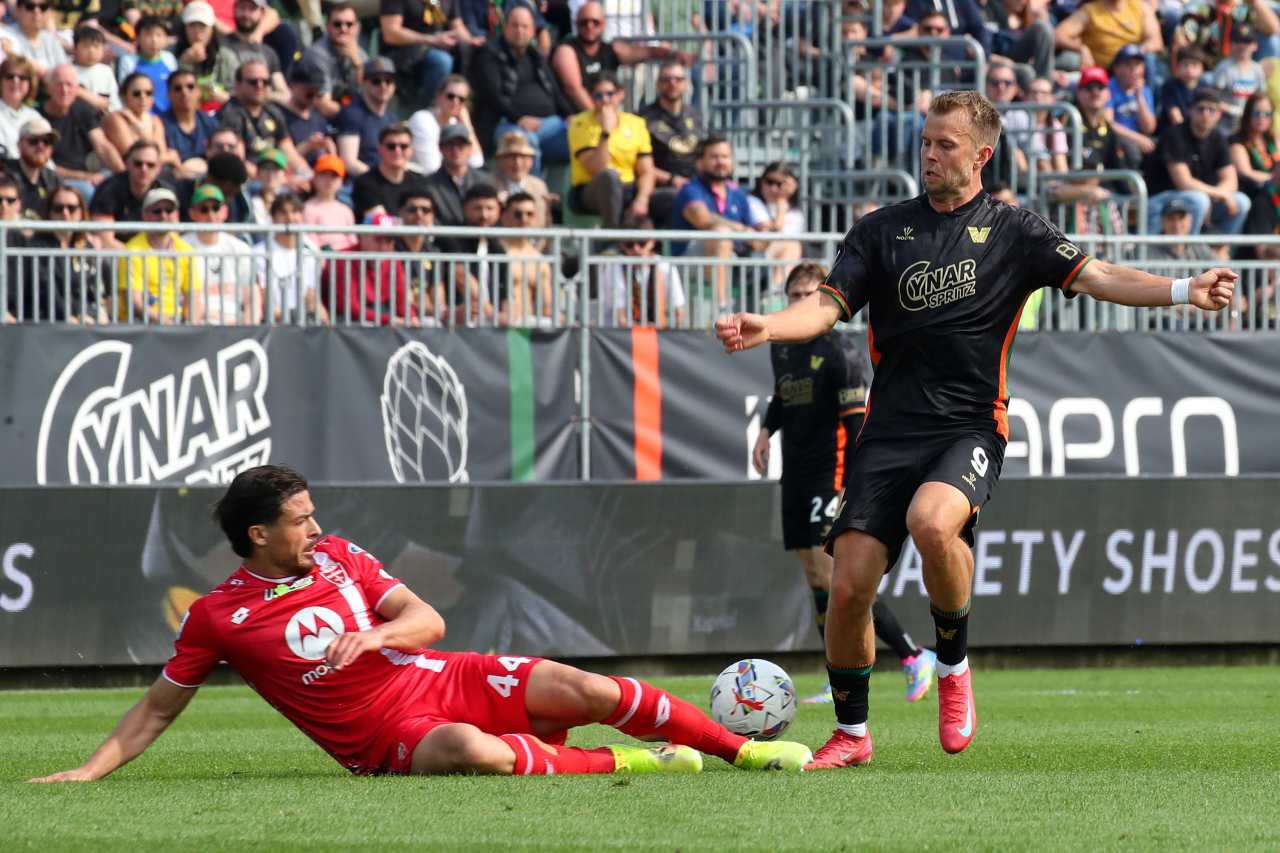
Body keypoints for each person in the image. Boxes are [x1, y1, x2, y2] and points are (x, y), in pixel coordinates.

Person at [714, 89, 1236, 770]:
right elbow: (823, 308)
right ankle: (852, 734)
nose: (930, 155)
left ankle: (953, 664)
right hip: (888, 434)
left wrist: (1184, 288)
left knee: (933, 523)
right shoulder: (880, 231)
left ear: (981, 154)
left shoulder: (1016, 231)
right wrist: (768, 326)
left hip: (969, 427)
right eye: (925, 142)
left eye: (945, 144)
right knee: (847, 587)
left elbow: (1100, 274)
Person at [29, 465, 812, 782]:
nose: (316, 526)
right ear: (258, 534)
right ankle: (636, 762)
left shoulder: (338, 557)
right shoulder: (217, 616)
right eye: (300, 519)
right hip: (382, 737)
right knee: (471, 751)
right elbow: (156, 708)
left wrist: (375, 634)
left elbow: (427, 619)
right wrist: (89, 771)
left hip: (441, 675)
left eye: (314, 513)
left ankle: (744, 749)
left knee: (584, 685)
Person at [751, 263, 937, 706]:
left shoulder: (840, 353)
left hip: (829, 477)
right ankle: (835, 675)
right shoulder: (781, 348)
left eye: (807, 294)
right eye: (793, 294)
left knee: (836, 579)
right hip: (795, 475)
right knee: (816, 581)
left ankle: (912, 654)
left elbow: (856, 428)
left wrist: (852, 488)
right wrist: (765, 431)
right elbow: (782, 394)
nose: (799, 301)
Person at [469, 5, 571, 174]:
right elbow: (493, 96)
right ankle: (531, 189)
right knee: (526, 145)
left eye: (525, 26)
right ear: (505, 28)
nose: (519, 31)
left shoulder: (535, 56)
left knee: (578, 137)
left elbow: (555, 91)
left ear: (533, 31)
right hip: (507, 123)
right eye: (514, 25)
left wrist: (570, 116)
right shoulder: (488, 53)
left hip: (548, 123)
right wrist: (519, 119)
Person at [1144, 86, 1252, 234]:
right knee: (1199, 200)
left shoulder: (1218, 138)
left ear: (1219, 114)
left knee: (1241, 201)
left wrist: (1222, 194)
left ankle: (1221, 246)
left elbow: (1231, 180)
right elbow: (1184, 183)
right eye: (1201, 109)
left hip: (1202, 197)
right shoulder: (1174, 135)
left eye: (1212, 110)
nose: (1206, 114)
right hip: (1160, 200)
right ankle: (1189, 247)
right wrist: (1220, 194)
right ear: (1190, 111)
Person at [550, 1, 688, 112]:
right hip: (573, 119)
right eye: (584, 22)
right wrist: (599, 119)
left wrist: (672, 54)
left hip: (602, 117)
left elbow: (646, 52)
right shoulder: (566, 50)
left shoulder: (609, 49)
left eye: (595, 22)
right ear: (576, 24)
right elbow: (574, 89)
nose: (589, 26)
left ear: (603, 24)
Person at [669, 135, 754, 309]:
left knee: (788, 245)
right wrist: (740, 229)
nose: (721, 162)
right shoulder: (691, 189)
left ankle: (776, 301)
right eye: (714, 157)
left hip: (734, 256)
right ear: (700, 163)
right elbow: (703, 219)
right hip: (690, 260)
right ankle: (721, 308)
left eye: (725, 157)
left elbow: (754, 235)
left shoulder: (738, 194)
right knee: (721, 235)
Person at [10, 185, 110, 323]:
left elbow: (94, 290)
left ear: (81, 213)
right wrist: (68, 316)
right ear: (49, 212)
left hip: (83, 317)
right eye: (58, 208)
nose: (65, 213)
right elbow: (45, 288)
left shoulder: (86, 247)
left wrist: (99, 312)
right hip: (47, 320)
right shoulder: (36, 246)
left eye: (72, 208)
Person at [566, 72, 654, 227]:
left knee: (671, 197)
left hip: (628, 188)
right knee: (609, 177)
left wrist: (642, 199)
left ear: (621, 94)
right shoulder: (580, 123)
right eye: (598, 96)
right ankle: (612, 235)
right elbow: (597, 169)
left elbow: (646, 171)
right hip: (589, 190)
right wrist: (606, 133)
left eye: (610, 94)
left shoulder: (636, 123)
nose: (605, 100)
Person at [118, 187, 204, 324]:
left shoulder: (185, 250)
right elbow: (135, 302)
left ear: (176, 215)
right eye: (156, 211)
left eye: (169, 210)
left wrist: (190, 326)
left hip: (177, 323)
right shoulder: (132, 251)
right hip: (140, 324)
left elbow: (193, 298)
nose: (163, 216)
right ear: (144, 215)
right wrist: (165, 323)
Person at [183, 183, 262, 325]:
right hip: (197, 324)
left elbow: (252, 297)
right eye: (204, 209)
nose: (211, 215)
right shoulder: (182, 247)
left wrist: (249, 329)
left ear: (225, 212)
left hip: (235, 324)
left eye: (216, 208)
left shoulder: (240, 248)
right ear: (192, 213)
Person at [638, 59, 704, 226]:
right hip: (661, 188)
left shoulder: (694, 115)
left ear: (686, 84)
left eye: (678, 79)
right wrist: (672, 179)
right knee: (681, 198)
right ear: (657, 84)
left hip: (694, 183)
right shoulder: (643, 119)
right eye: (666, 79)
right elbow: (638, 164)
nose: (672, 83)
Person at [322, 211, 418, 326]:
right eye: (378, 239)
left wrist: (412, 318)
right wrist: (389, 320)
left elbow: (401, 302)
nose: (383, 247)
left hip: (377, 315)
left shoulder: (393, 260)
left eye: (389, 240)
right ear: (362, 237)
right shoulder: (343, 259)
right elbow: (349, 308)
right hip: (343, 322)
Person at [218, 59, 308, 173]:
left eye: (265, 82)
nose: (259, 86)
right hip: (247, 177)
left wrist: (306, 174)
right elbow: (237, 160)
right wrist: (269, 178)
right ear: (238, 85)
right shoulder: (229, 114)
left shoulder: (273, 112)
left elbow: (288, 151)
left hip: (274, 172)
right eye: (253, 82)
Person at [89, 139, 177, 247]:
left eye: (150, 165)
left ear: (159, 168)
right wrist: (135, 256)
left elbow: (173, 235)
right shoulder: (109, 189)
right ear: (127, 164)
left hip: (153, 252)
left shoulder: (166, 191)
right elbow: (105, 241)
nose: (144, 169)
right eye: (138, 164)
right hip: (117, 254)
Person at [602, 213, 686, 326]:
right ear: (621, 245)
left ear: (652, 242)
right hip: (621, 333)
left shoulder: (665, 266)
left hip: (656, 332)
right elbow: (620, 318)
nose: (636, 249)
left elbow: (679, 311)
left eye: (642, 243)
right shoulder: (614, 267)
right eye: (629, 244)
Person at [257, 193, 327, 324]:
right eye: (283, 213)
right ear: (273, 217)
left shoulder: (311, 253)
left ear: (302, 216)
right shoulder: (259, 253)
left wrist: (325, 323)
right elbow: (263, 299)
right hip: (271, 324)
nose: (289, 218)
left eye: (295, 212)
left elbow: (312, 297)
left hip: (303, 323)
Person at [378, 0, 458, 107]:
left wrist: (472, 41)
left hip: (439, 48)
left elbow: (457, 26)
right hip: (404, 55)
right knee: (441, 61)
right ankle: (423, 110)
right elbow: (391, 34)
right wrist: (432, 39)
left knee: (468, 54)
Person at [336, 58, 401, 178]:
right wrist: (381, 179)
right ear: (364, 83)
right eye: (376, 81)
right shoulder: (352, 114)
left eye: (388, 81)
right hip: (358, 182)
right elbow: (349, 162)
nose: (383, 86)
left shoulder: (392, 119)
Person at [352, 123, 431, 221]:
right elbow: (381, 222)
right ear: (380, 149)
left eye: (404, 146)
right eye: (391, 146)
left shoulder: (419, 181)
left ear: (411, 150)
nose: (397, 151)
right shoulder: (365, 182)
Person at [408, 74, 484, 176]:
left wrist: (467, 124)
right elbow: (432, 167)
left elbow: (476, 162)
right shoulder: (422, 119)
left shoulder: (456, 124)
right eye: (450, 96)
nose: (455, 102)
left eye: (461, 99)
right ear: (439, 96)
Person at [302, 2, 368, 119]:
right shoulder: (317, 54)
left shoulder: (360, 54)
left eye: (349, 24)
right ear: (328, 27)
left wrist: (358, 64)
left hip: (349, 114)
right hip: (319, 119)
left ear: (357, 28)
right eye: (337, 24)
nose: (343, 29)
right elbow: (324, 105)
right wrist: (355, 115)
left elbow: (370, 94)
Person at [498, 191, 555, 327]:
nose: (524, 219)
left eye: (530, 214)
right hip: (495, 326)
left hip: (526, 329)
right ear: (504, 217)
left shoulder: (539, 259)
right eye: (518, 214)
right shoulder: (494, 251)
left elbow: (547, 309)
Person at [1053, 0, 1163, 70]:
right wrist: (1081, 48)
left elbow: (1156, 41)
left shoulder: (1140, 7)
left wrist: (1135, 53)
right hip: (1103, 70)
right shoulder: (1091, 11)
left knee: (1150, 60)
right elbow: (1058, 35)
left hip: (1131, 69)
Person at [746, 162, 804, 293]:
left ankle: (774, 291)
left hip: (780, 260)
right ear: (761, 182)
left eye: (779, 184)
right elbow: (774, 229)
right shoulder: (753, 201)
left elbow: (775, 229)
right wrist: (782, 201)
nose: (773, 188)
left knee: (792, 247)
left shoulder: (796, 213)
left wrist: (780, 206)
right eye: (769, 182)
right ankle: (775, 292)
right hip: (755, 257)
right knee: (792, 245)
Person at [103, 72, 179, 171]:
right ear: (124, 96)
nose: (143, 97)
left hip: (155, 172)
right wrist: (170, 157)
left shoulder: (155, 120)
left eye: (148, 93)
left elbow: (159, 153)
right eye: (136, 94)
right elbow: (135, 158)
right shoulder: (116, 119)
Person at [424, 123, 492, 226]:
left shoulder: (485, 181)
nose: (455, 150)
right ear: (440, 148)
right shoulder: (428, 186)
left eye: (461, 145)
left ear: (470, 148)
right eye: (450, 145)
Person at [174, 1, 238, 110]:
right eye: (192, 25)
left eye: (202, 26)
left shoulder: (226, 57)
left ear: (212, 29)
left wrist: (225, 98)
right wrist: (184, 64)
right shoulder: (171, 53)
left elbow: (238, 94)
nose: (197, 32)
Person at [159, 69, 219, 180]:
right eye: (178, 88)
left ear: (198, 91)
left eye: (190, 87)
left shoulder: (209, 122)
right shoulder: (160, 124)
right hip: (172, 180)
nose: (184, 92)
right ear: (168, 94)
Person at [115, 16, 178, 113]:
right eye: (148, 35)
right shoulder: (128, 61)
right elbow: (124, 94)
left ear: (166, 38)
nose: (154, 40)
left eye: (159, 35)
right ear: (138, 38)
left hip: (168, 116)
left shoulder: (169, 58)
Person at [1209, 24, 1265, 131]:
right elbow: (1213, 98)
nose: (1242, 46)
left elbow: (1261, 98)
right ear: (1232, 44)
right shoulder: (1224, 68)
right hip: (1225, 125)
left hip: (1249, 124)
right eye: (1238, 41)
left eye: (1247, 42)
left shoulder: (1257, 69)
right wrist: (1233, 110)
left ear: (1255, 45)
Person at [492, 131, 552, 228]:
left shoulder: (539, 186)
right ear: (500, 160)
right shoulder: (490, 185)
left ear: (531, 161)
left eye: (523, 157)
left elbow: (543, 223)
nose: (517, 163)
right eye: (511, 157)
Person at [1107, 44, 1157, 157]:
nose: (1133, 69)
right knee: (1132, 153)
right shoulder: (1108, 88)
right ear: (1116, 68)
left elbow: (1149, 128)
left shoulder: (1145, 90)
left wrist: (1139, 96)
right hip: (1117, 139)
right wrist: (1137, 139)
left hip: (1141, 138)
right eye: (1128, 64)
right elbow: (1108, 124)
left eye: (1137, 64)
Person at [280, 60, 335, 164]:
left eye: (317, 93)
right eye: (309, 93)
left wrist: (330, 151)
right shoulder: (279, 117)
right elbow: (278, 160)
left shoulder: (318, 116)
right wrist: (308, 146)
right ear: (292, 86)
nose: (313, 98)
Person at [0, 0, 70, 79]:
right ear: (18, 10)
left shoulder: (51, 41)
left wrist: (13, 54)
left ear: (50, 13)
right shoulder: (4, 35)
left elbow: (65, 76)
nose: (36, 11)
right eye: (30, 6)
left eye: (43, 7)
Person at [4, 117, 60, 214]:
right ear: (19, 145)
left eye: (47, 142)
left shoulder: (53, 179)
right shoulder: (4, 173)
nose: (41, 146)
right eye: (33, 141)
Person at [1229, 91, 1278, 197]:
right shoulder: (1237, 140)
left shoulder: (1273, 139)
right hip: (1252, 193)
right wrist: (1275, 179)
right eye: (1256, 113)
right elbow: (1245, 172)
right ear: (1248, 114)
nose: (1262, 118)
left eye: (1267, 114)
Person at [303, 154, 356, 252]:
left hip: (346, 258)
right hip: (321, 258)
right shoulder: (307, 208)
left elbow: (352, 240)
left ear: (341, 181)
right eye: (323, 175)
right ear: (315, 178)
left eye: (334, 176)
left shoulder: (346, 210)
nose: (328, 180)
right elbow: (310, 241)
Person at [71, 24, 121, 114]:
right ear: (75, 48)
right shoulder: (69, 71)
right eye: (86, 46)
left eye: (96, 46)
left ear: (103, 50)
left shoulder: (106, 71)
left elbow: (114, 100)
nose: (91, 51)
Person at [0, 56, 42, 161]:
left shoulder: (35, 117)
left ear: (29, 83)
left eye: (22, 77)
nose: (16, 81)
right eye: (10, 76)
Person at [1159, 46, 1209, 132]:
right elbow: (1175, 117)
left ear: (1202, 69)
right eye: (1185, 65)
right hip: (1173, 132)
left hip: (1197, 131)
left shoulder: (1205, 87)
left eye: (1194, 65)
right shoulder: (1170, 86)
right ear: (1178, 67)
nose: (1189, 69)